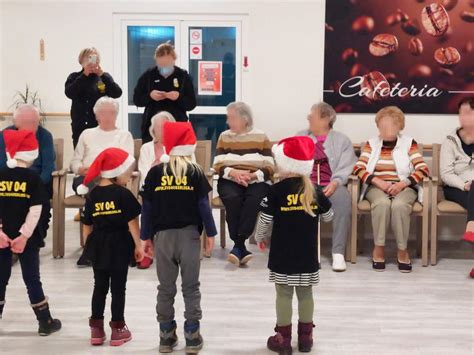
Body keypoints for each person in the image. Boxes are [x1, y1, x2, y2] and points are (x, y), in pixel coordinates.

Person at [141, 121, 217, 353]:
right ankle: (192, 336)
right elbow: (204, 206)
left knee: (165, 288)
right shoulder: (195, 173)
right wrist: (211, 233)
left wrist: (146, 237)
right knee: (191, 287)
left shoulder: (155, 173)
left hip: (163, 238)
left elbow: (147, 208)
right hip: (190, 237)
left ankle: (166, 335)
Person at [255, 136, 333, 354]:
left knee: (284, 294)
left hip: (282, 255)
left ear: (284, 163)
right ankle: (306, 338)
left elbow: (264, 221)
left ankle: (283, 339)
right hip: (308, 255)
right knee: (306, 293)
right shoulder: (315, 191)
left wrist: (260, 237)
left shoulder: (275, 191)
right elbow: (329, 216)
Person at [77, 148, 144, 346]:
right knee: (118, 289)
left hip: (98, 245)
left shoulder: (93, 195)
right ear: (116, 172)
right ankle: (118, 329)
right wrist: (138, 245)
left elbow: (87, 223)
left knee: (99, 287)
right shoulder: (123, 194)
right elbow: (132, 223)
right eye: (127, 171)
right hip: (119, 244)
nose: (129, 175)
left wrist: (88, 246)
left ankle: (96, 330)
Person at [352, 106, 430, 273]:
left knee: (399, 205)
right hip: (377, 186)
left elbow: (423, 169)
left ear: (399, 126)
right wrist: (378, 182)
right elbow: (359, 168)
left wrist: (402, 184)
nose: (384, 129)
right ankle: (378, 248)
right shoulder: (371, 144)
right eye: (381, 125)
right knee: (381, 203)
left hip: (404, 186)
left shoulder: (409, 143)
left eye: (389, 125)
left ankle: (402, 250)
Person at [0, 130, 61, 335]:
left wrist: (0, 233)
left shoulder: (0, 174)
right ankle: (45, 322)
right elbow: (36, 210)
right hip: (27, 239)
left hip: (1, 238)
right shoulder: (33, 178)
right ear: (32, 153)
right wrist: (24, 236)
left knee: (0, 277)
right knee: (32, 278)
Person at [70, 96, 134, 266]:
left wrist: (107, 173)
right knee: (94, 192)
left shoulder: (123, 135)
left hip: (113, 179)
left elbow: (127, 163)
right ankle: (91, 249)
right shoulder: (87, 134)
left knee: (105, 193)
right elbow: (74, 162)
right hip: (86, 178)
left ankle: (102, 247)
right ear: (96, 115)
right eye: (103, 113)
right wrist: (81, 169)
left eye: (111, 113)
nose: (107, 116)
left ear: (116, 115)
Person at [212, 102, 274, 266]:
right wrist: (234, 173)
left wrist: (252, 176)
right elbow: (217, 164)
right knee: (233, 198)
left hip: (256, 179)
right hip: (229, 179)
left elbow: (270, 166)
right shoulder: (224, 136)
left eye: (231, 118)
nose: (228, 121)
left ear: (245, 119)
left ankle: (238, 246)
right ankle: (240, 245)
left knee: (254, 200)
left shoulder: (261, 136)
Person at [298, 102, 357, 271]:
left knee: (343, 201)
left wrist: (336, 181)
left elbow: (347, 165)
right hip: (306, 185)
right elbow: (291, 160)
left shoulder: (342, 140)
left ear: (325, 119)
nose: (308, 117)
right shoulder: (301, 136)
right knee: (296, 202)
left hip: (332, 184)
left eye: (312, 114)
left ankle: (338, 253)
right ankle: (305, 251)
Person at [0, 104, 56, 246]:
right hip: (8, 182)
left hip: (37, 183)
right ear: (15, 122)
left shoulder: (45, 136)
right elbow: (1, 164)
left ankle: (33, 241)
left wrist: (33, 184)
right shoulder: (5, 135)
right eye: (26, 122)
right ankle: (9, 241)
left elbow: (49, 168)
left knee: (40, 206)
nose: (31, 126)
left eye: (34, 122)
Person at [133, 42, 197, 143]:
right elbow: (137, 100)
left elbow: (191, 104)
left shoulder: (183, 76)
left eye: (167, 64)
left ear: (173, 60)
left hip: (177, 125)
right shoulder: (149, 76)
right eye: (161, 65)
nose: (164, 68)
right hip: (152, 127)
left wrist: (178, 97)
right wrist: (150, 96)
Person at [439, 96, 474, 277]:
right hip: (455, 188)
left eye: (468, 112)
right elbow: (446, 173)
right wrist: (464, 184)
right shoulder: (450, 141)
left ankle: (472, 227)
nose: (463, 117)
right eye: (460, 113)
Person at [137, 111, 175, 269]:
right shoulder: (146, 148)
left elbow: (190, 170)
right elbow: (144, 174)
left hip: (176, 188)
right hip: (153, 189)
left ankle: (174, 247)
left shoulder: (181, 147)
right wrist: (155, 167)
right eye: (158, 127)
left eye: (166, 126)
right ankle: (148, 246)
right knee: (149, 200)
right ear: (153, 130)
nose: (162, 130)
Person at [65, 47, 122, 148]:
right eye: (88, 58)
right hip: (79, 126)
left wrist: (102, 74)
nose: (91, 61)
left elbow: (117, 93)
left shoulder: (103, 77)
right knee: (81, 156)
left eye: (94, 58)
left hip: (100, 126)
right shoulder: (74, 77)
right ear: (81, 60)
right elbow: (69, 93)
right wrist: (84, 75)